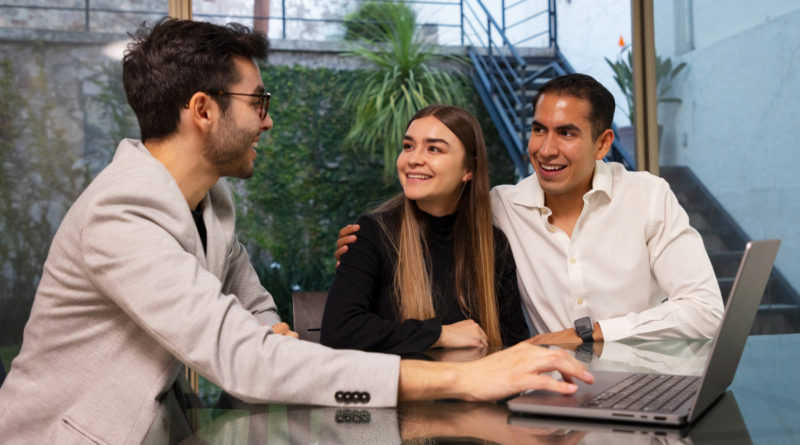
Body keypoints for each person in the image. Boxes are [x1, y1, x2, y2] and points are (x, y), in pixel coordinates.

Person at [0, 19, 593, 444]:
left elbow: (259, 319)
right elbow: (248, 360)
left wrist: (267, 345)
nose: (269, 118)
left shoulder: (211, 204)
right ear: (203, 110)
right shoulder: (121, 214)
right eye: (257, 101)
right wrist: (463, 377)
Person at [336, 73, 724, 345]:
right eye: (539, 129)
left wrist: (585, 334)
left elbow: (705, 311)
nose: (546, 149)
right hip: (548, 390)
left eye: (566, 133)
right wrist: (366, 244)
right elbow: (432, 214)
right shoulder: (499, 207)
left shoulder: (648, 196)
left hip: (643, 376)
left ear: (604, 143)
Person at [320, 105, 529, 354]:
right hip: (399, 391)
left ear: (469, 170)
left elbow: (513, 343)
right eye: (408, 146)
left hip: (479, 390)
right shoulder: (372, 234)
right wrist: (440, 333)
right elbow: (339, 331)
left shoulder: (493, 245)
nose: (413, 159)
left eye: (434, 149)